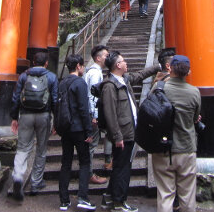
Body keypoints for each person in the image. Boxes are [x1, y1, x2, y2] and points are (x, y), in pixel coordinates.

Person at [101, 51, 161, 212]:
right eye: (123, 60)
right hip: (122, 133)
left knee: (121, 165)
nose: (126, 62)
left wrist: (157, 67)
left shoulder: (124, 80)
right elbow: (110, 114)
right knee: (123, 168)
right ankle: (119, 202)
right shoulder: (109, 86)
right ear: (117, 65)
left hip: (129, 130)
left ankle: (109, 197)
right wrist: (117, 135)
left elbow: (140, 75)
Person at [150, 55, 201, 212]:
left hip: (163, 148)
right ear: (188, 72)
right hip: (186, 147)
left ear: (169, 68)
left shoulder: (158, 89)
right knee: (187, 195)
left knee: (165, 194)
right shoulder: (194, 92)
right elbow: (195, 118)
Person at [10, 51, 58, 200]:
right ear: (46, 63)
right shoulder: (51, 77)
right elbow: (55, 99)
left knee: (23, 147)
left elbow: (16, 97)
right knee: (41, 149)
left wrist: (14, 117)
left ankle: (18, 175)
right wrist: (55, 120)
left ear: (33, 62)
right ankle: (36, 182)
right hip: (44, 116)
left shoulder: (24, 76)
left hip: (25, 115)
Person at [57, 54, 96, 211]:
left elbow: (56, 105)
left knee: (66, 163)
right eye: (83, 65)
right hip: (79, 128)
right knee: (84, 162)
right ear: (79, 66)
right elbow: (83, 108)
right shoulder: (80, 83)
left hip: (66, 129)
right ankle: (82, 197)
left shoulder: (62, 83)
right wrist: (89, 131)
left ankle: (64, 200)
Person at [84, 45, 110, 184]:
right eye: (106, 55)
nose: (108, 57)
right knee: (92, 145)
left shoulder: (93, 71)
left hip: (90, 113)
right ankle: (89, 174)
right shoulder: (95, 73)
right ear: (98, 58)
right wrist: (95, 115)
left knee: (91, 144)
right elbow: (93, 95)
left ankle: (88, 172)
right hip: (92, 114)